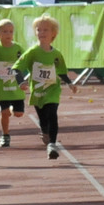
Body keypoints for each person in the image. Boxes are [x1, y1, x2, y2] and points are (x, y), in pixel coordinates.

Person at [14, 15, 78, 160]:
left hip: (53, 90)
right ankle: (45, 131)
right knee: (43, 118)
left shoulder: (56, 54)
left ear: (53, 33)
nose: (42, 32)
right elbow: (16, 68)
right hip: (38, 92)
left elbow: (61, 71)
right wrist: (21, 82)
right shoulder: (32, 52)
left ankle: (52, 145)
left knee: (52, 114)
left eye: (45, 30)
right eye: (39, 29)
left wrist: (70, 83)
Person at [0, 19, 25, 147]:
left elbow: (25, 60)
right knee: (4, 113)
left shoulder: (17, 47)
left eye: (11, 31)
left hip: (16, 87)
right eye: (5, 31)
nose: (8, 34)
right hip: (2, 87)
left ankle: (13, 108)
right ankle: (5, 135)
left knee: (18, 114)